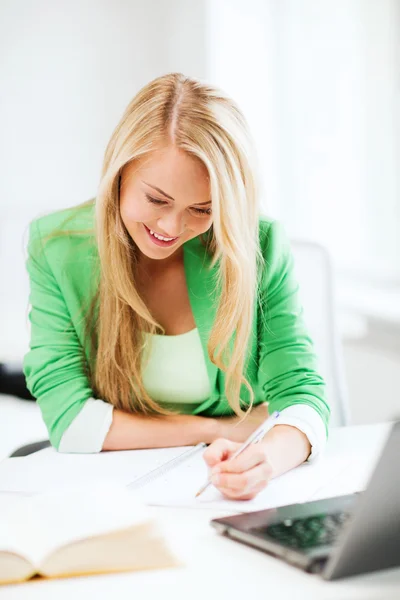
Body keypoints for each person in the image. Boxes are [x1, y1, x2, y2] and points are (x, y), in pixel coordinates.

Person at [24, 73, 329, 501]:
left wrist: (268, 459)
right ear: (119, 174)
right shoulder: (56, 247)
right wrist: (214, 430)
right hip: (112, 496)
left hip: (226, 494)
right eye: (156, 200)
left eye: (202, 209)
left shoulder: (257, 244)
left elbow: (304, 401)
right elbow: (69, 421)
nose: (171, 227)